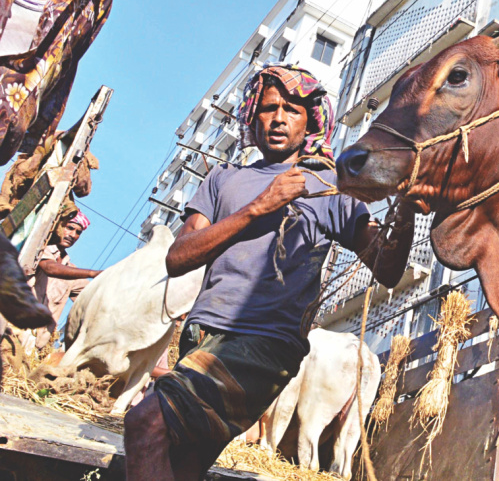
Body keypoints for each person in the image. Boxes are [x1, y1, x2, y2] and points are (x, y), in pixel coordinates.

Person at [123, 64, 416, 480]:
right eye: (269, 108)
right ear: (252, 117)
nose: (279, 118)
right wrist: (258, 207)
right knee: (178, 465)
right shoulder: (223, 179)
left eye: (292, 110)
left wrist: (405, 209)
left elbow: (386, 267)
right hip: (201, 335)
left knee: (144, 424)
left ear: (309, 121)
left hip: (262, 343)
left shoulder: (328, 183)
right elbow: (179, 257)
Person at [21, 211, 101, 350]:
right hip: (14, 330)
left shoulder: (71, 270)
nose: (73, 235)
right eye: (69, 228)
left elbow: (93, 296)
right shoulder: (40, 248)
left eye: (78, 232)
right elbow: (49, 267)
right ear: (59, 226)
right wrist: (92, 273)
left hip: (35, 346)